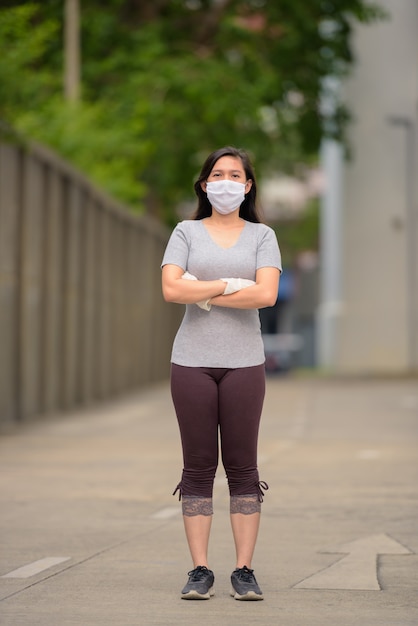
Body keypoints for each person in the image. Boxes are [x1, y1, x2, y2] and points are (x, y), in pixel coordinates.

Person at [161, 146, 282, 601]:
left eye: (235, 175)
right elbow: (172, 289)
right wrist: (233, 285)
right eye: (218, 174)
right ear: (204, 184)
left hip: (245, 363)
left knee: (243, 468)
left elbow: (266, 295)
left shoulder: (262, 235)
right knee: (196, 469)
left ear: (247, 186)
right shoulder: (185, 231)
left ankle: (244, 570)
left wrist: (203, 291)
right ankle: (199, 569)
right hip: (191, 362)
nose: (226, 181)